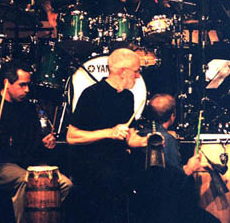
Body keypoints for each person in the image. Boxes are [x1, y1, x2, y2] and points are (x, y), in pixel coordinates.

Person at [0, 60, 73, 223]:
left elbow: (32, 147)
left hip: (26, 164)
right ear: (7, 83)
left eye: (28, 85)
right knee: (27, 181)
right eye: (22, 85)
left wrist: (44, 143)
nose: (27, 90)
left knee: (64, 184)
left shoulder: (28, 108)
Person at [66, 48, 148, 223]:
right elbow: (72, 136)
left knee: (155, 174)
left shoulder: (128, 97)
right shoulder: (92, 94)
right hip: (92, 162)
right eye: (136, 71)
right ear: (122, 72)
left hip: (117, 159)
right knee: (111, 179)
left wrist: (144, 142)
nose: (138, 76)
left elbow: (130, 137)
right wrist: (109, 132)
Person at [132, 93, 221, 223]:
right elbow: (172, 185)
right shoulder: (166, 140)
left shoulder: (139, 136)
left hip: (144, 207)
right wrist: (189, 168)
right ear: (172, 116)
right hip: (165, 211)